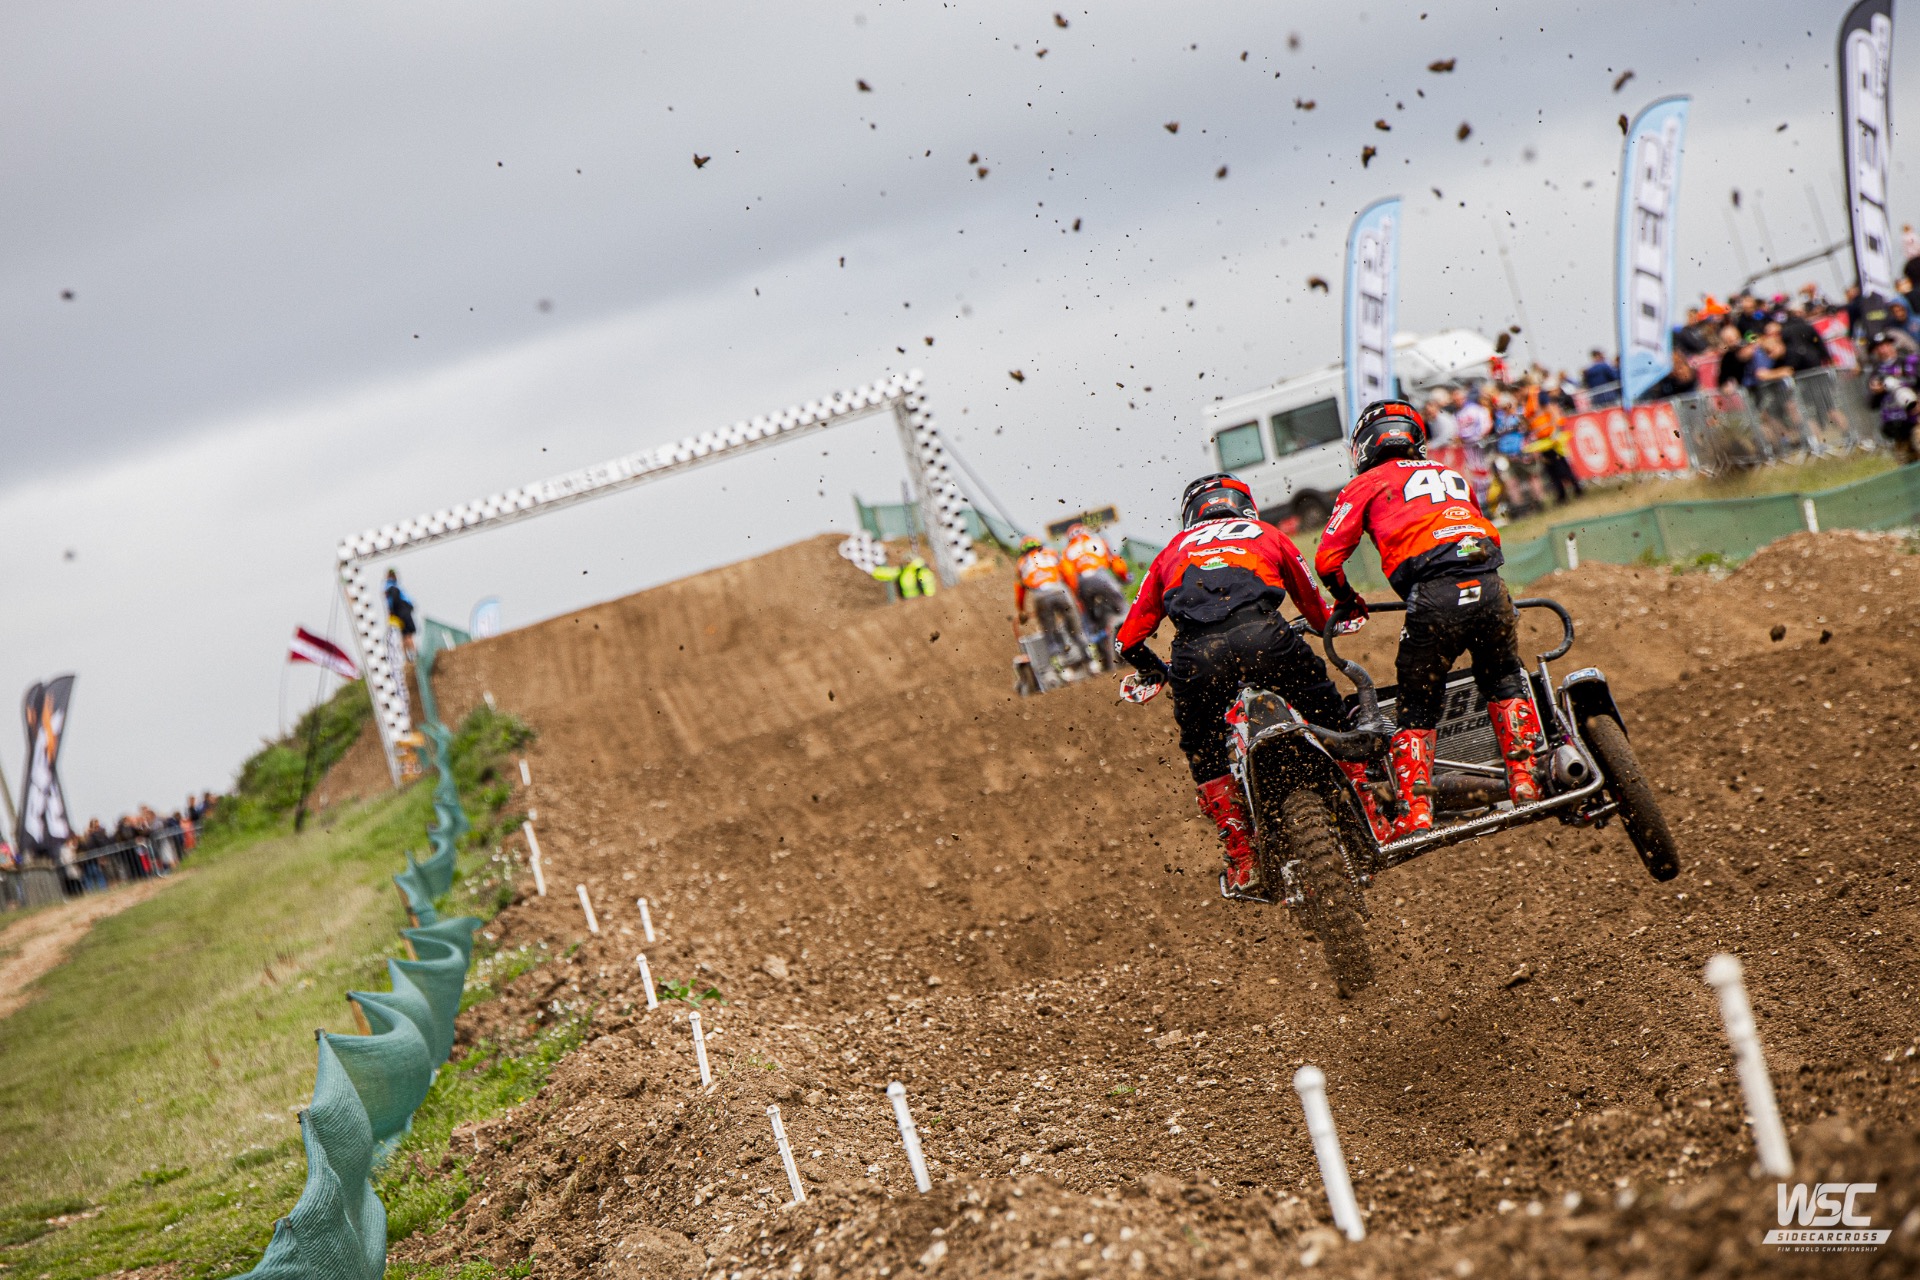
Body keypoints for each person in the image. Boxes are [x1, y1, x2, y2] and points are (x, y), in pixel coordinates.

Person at [1313, 401, 1545, 837]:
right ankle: (1525, 781)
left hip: (1435, 595)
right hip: (1490, 585)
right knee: (1503, 677)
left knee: (1417, 703)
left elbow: (1327, 561)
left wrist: (1347, 600)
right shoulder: (1449, 473)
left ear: (1364, 446)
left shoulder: (1366, 483)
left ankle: (1416, 811)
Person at [1114, 474, 1349, 898]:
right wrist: (1325, 623)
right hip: (1265, 637)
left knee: (1202, 746)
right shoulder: (1265, 533)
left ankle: (1242, 853)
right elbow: (1313, 605)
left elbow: (1126, 640)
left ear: (1190, 514)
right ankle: (1367, 799)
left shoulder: (1172, 551)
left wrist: (1156, 672)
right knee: (1324, 702)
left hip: (1198, 657)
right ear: (1245, 505)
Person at [1014, 538, 1090, 666]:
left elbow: (1020, 590)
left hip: (1040, 596)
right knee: (1075, 626)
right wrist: (1074, 595)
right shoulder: (1051, 553)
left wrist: (1021, 610)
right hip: (1059, 590)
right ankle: (1089, 658)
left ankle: (1061, 665)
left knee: (1049, 631)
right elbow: (1069, 573)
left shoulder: (1021, 563)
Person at [1060, 523, 1130, 662]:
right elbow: (1117, 563)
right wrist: (1124, 577)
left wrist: (1076, 596)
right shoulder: (1099, 542)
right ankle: (1132, 630)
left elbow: (1068, 574)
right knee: (1124, 610)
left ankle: (1091, 646)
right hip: (1103, 578)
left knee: (1087, 618)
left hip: (1083, 584)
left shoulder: (1067, 551)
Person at [1866, 331, 1920, 463]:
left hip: (1914, 419)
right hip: (1895, 423)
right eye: (1879, 347)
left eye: (1886, 345)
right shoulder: (1876, 372)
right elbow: (1871, 404)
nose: (1883, 350)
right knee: (1905, 462)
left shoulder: (1908, 361)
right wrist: (1878, 392)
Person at [384, 569, 419, 658]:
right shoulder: (395, 587)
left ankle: (408, 657)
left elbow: (394, 601)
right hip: (404, 613)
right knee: (407, 635)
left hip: (401, 614)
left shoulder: (391, 587)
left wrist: (392, 612)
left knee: (406, 635)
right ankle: (412, 657)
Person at [872, 556, 937, 599]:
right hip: (909, 597)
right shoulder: (923, 572)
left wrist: (874, 571)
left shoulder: (918, 572)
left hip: (912, 597)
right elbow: (889, 573)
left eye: (907, 561)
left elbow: (890, 573)